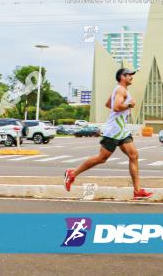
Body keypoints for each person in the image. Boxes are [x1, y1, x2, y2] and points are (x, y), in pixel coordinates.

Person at [64, 68, 152, 200]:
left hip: (122, 130)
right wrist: (129, 105)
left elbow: (108, 104)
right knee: (102, 158)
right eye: (129, 75)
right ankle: (72, 173)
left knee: (134, 155)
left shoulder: (120, 90)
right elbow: (116, 107)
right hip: (114, 130)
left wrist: (122, 109)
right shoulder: (120, 90)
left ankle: (137, 191)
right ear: (122, 77)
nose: (131, 77)